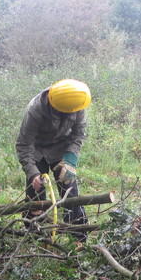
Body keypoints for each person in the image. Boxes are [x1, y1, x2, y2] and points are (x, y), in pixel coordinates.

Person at [16, 79, 91, 240]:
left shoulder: (77, 103)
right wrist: (33, 173)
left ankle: (78, 237)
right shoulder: (35, 110)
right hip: (36, 151)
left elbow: (78, 134)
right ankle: (36, 236)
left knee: (71, 193)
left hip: (61, 150)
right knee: (35, 196)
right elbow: (24, 144)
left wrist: (70, 160)